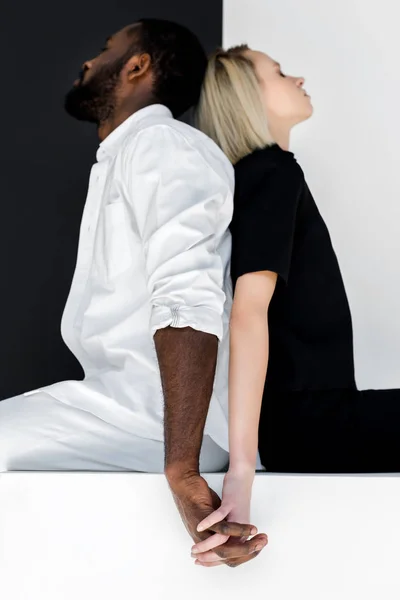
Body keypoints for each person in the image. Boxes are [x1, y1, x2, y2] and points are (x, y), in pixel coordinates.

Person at [0, 22, 268, 567]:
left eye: (104, 52)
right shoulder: (128, 156)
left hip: (154, 419)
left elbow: (187, 297)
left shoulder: (162, 144)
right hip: (120, 406)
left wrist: (184, 470)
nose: (88, 64)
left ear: (138, 66)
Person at [190, 44, 400, 561]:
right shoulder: (270, 172)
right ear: (246, 94)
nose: (298, 76)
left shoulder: (265, 174)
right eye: (280, 72)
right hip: (311, 424)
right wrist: (242, 470)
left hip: (313, 417)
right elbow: (248, 313)